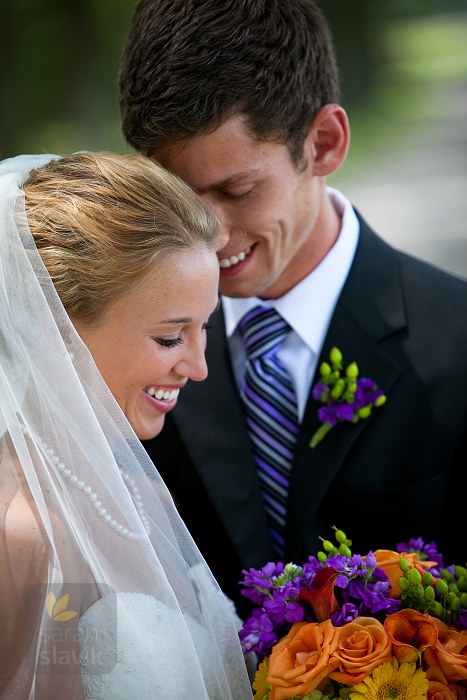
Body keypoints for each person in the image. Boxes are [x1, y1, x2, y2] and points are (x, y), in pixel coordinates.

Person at [118, 0, 467, 615]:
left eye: (237, 191)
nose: (211, 235)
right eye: (179, 197)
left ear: (324, 144)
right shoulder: (124, 344)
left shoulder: (457, 338)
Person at [0, 152, 253, 699]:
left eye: (203, 328)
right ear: (57, 329)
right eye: (170, 337)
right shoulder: (21, 533)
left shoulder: (142, 491)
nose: (199, 367)